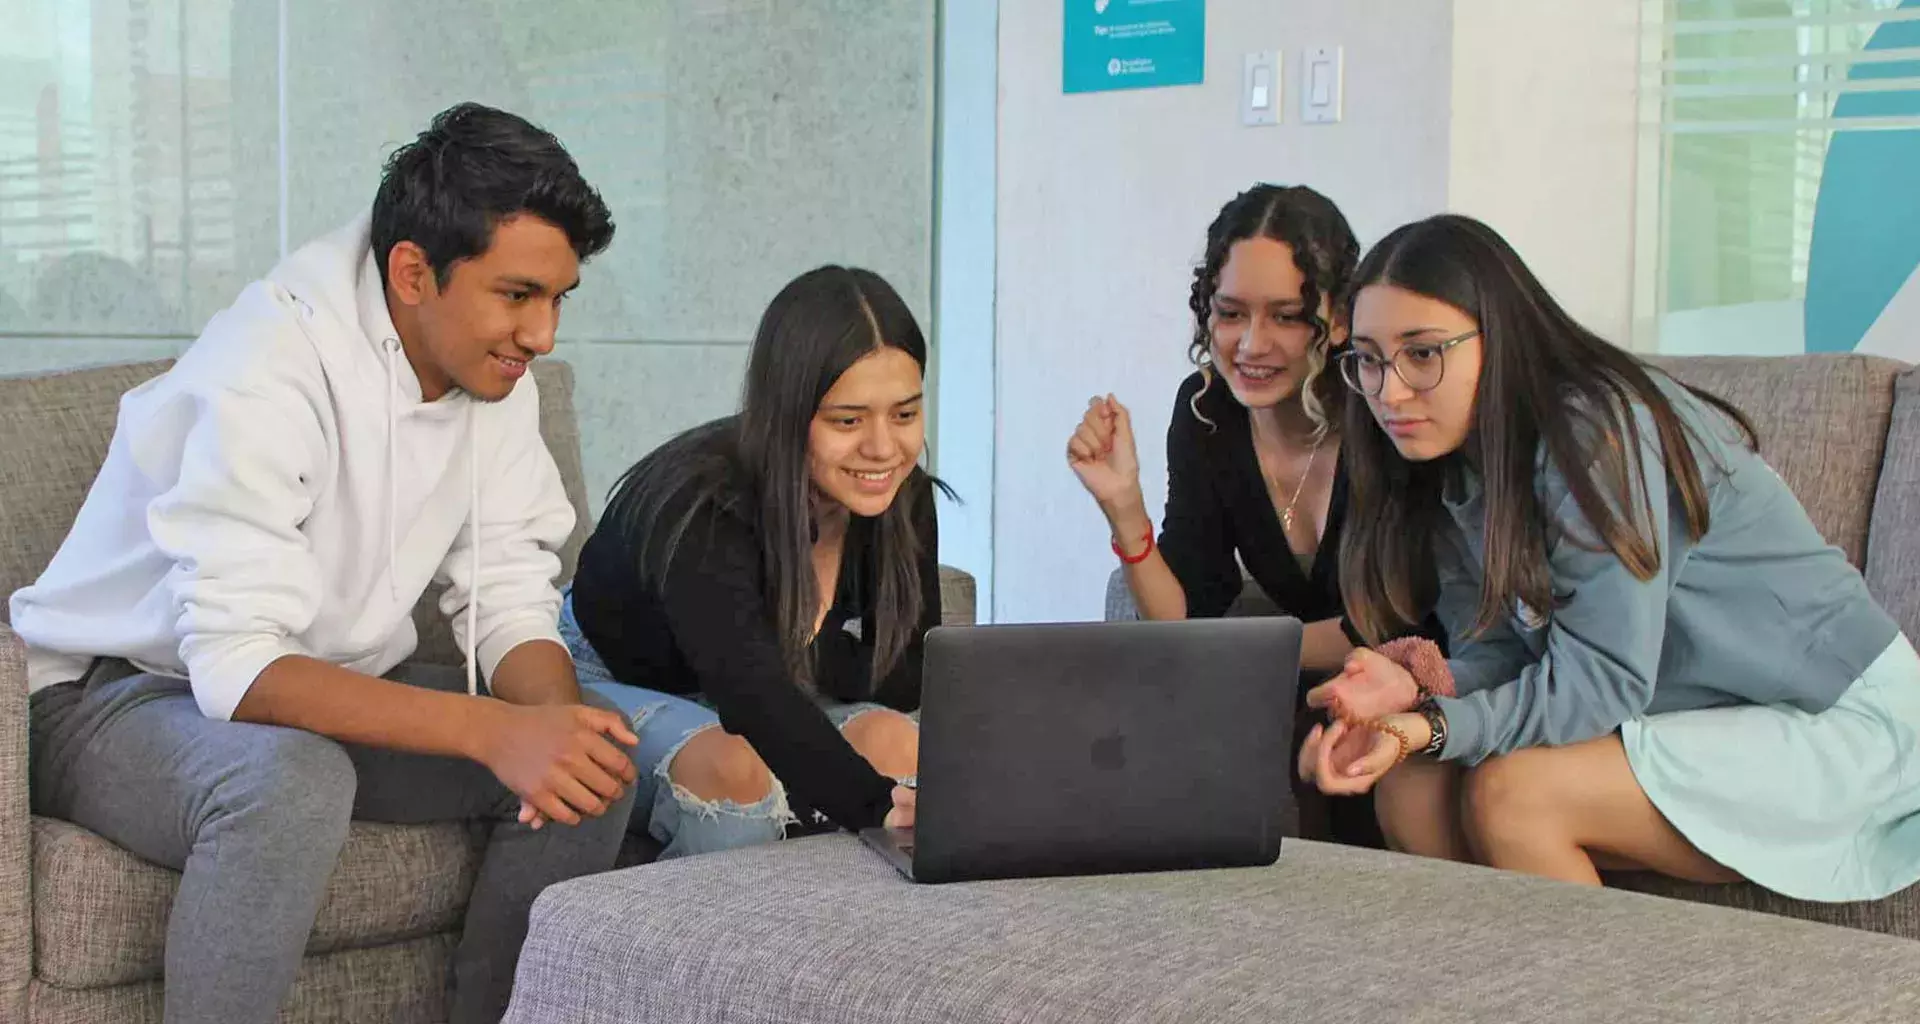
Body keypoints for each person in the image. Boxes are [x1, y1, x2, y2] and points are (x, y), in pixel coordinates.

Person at [11, 102, 637, 1023]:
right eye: (516, 296)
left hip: (319, 694)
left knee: (596, 753)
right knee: (292, 783)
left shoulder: (492, 378)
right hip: (111, 699)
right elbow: (236, 666)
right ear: (414, 271)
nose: (542, 336)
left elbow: (505, 591)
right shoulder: (266, 368)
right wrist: (490, 733)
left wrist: (551, 735)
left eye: (557, 299)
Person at [1302, 213, 1920, 902]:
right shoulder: (1451, 464)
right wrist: (1419, 691)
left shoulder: (1599, 433)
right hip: (1690, 717)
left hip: (1834, 721)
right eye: (1368, 358)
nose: (1389, 391)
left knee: (1515, 794)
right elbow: (1511, 653)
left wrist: (1436, 723)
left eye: (1422, 353)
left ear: (1501, 338)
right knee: (1412, 785)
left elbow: (1602, 680)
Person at [1064, 183, 1439, 848]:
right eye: (1231, 313)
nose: (1251, 344)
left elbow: (1393, 619)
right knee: (1141, 728)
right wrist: (1124, 506)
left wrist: (1240, 657)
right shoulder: (1209, 411)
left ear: (1338, 316)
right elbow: (1185, 616)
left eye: (1287, 317)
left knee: (1284, 738)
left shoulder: (1385, 407)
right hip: (1304, 674)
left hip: (1417, 676)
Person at [561, 265, 936, 859]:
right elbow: (751, 693)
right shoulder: (705, 504)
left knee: (898, 743)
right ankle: (715, 952)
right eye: (848, 420)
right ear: (787, 411)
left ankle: (865, 948)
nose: (883, 448)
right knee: (734, 768)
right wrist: (870, 801)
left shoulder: (900, 497)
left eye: (905, 415)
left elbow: (903, 679)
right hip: (610, 675)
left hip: (749, 689)